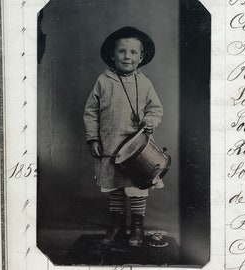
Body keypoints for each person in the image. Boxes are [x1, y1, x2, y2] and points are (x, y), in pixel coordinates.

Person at [83, 26, 163, 247]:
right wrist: (93, 138)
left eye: (133, 52)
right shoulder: (103, 81)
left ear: (141, 57)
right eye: (121, 51)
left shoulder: (145, 83)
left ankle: (137, 226)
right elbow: (90, 111)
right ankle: (116, 225)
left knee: (137, 188)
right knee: (116, 187)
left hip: (138, 149)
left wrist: (151, 120)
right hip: (110, 144)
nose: (127, 56)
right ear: (112, 54)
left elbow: (155, 109)